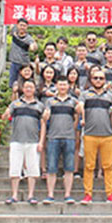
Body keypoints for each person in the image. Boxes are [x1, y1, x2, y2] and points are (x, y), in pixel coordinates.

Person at [77, 67, 112, 204]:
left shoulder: (110, 96)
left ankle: (110, 194)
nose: (98, 80)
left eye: (101, 78)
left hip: (107, 135)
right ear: (91, 79)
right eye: (95, 78)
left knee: (108, 166)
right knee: (89, 166)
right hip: (90, 134)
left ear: (104, 80)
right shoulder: (85, 94)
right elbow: (80, 107)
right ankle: (87, 195)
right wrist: (80, 112)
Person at [2, 79, 45, 205]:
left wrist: (41, 141)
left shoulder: (39, 106)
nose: (28, 89)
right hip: (17, 140)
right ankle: (14, 194)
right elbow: (6, 116)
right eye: (26, 87)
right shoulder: (15, 104)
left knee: (32, 169)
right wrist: (5, 114)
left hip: (33, 141)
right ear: (23, 89)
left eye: (31, 87)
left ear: (34, 89)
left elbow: (43, 125)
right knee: (15, 169)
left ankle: (31, 195)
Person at [42, 75, 79, 204]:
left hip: (69, 137)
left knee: (69, 168)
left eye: (65, 85)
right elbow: (45, 118)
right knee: (51, 167)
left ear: (68, 86)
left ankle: (68, 194)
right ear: (56, 86)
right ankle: (50, 194)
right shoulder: (50, 101)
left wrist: (71, 130)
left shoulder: (73, 101)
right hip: (53, 137)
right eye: (60, 84)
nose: (62, 87)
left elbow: (76, 119)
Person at [9, 18, 37, 87]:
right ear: (17, 25)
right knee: (13, 84)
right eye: (21, 25)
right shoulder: (14, 32)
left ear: (27, 27)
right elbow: (10, 24)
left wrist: (33, 47)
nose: (22, 27)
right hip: (14, 62)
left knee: (23, 84)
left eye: (24, 26)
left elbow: (33, 46)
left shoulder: (28, 38)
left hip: (23, 64)